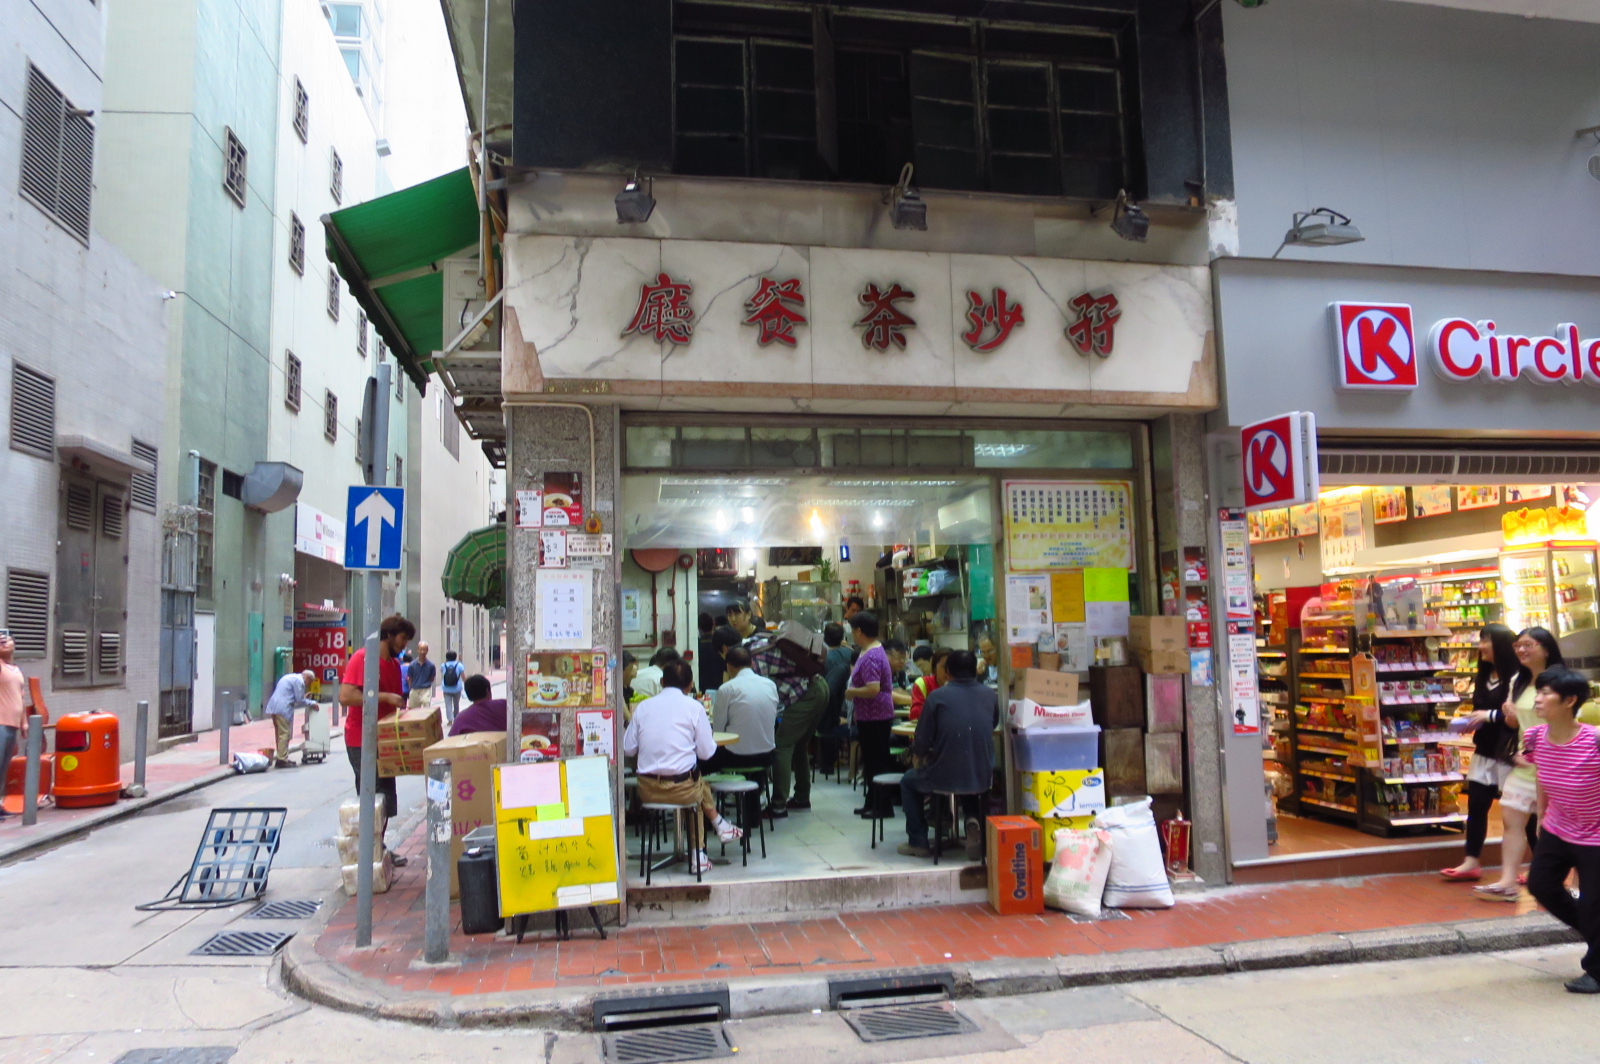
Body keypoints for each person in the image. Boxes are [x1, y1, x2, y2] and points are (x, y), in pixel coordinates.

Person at [1520, 667, 1600, 993]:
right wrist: (1540, 814)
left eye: (1546, 693)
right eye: (1538, 692)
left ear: (1569, 700)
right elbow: (1542, 773)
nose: (1538, 698)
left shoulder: (1594, 739)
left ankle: (1596, 971)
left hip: (1596, 835)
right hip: (1557, 826)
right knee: (1541, 885)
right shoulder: (1536, 736)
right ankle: (1596, 932)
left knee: (1596, 904)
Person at [622, 660, 741, 874]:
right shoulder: (694, 707)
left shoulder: (643, 708)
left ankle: (720, 826)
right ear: (690, 685)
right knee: (695, 782)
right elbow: (706, 752)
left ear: (661, 682)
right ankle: (699, 853)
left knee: (695, 779)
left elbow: (628, 749)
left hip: (646, 791)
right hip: (683, 791)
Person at [1476, 626, 1562, 901]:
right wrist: (1509, 714)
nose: (1522, 650)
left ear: (1546, 649)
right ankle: (1508, 881)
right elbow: (1516, 723)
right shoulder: (1518, 680)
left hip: (1556, 764)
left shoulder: (1561, 681)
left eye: (1529, 645)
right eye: (1519, 646)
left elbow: (1567, 720)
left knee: (1554, 825)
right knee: (1511, 816)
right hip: (1525, 763)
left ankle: (1565, 883)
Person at [711, 623, 829, 816]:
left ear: (724, 650)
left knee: (782, 746)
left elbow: (756, 698)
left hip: (804, 694)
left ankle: (778, 804)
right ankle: (801, 797)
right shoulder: (755, 642)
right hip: (817, 686)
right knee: (798, 745)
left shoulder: (751, 660)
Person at [898, 650, 997, 860]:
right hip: (983, 775)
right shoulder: (991, 696)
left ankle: (918, 842)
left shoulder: (936, 697)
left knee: (908, 781)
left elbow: (922, 742)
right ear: (975, 671)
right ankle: (971, 819)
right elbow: (993, 724)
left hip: (944, 776)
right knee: (968, 775)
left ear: (948, 671)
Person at [1442, 624, 1522, 882]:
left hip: (1510, 752)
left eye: (1485, 640)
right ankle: (1471, 860)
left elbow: (1518, 715)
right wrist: (1471, 721)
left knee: (1520, 812)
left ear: (1499, 644)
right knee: (1476, 805)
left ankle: (1537, 865)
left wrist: (1488, 715)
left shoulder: (1518, 678)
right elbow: (1483, 709)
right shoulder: (1483, 675)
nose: (1480, 646)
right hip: (1485, 750)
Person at [338, 614, 415, 863]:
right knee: (371, 794)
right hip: (362, 738)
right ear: (390, 635)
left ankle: (379, 849)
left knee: (386, 798)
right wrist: (383, 697)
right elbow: (346, 696)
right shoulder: (363, 658)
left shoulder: (393, 665)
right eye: (403, 639)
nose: (405, 645)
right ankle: (368, 854)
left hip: (386, 739)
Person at [846, 612, 896, 817]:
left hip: (876, 715)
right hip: (870, 715)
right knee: (871, 760)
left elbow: (873, 688)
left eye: (852, 631)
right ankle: (871, 801)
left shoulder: (872, 656)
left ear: (859, 631)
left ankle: (882, 806)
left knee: (876, 761)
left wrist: (851, 692)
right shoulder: (870, 650)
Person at [705, 646, 779, 776]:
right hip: (767, 756)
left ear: (729, 666)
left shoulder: (727, 688)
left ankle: (711, 793)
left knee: (699, 760)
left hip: (736, 757)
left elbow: (718, 732)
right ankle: (754, 794)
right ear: (751, 663)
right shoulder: (770, 685)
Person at [817, 623, 853, 775]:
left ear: (825, 637)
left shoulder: (823, 656)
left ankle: (827, 765)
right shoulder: (849, 652)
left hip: (830, 700)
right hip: (850, 701)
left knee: (827, 727)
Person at [264, 669, 317, 767]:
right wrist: (312, 703)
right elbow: (299, 700)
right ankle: (282, 759)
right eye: (310, 682)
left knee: (279, 734)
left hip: (274, 706)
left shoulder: (291, 677)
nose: (308, 684)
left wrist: (303, 697)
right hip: (283, 708)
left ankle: (281, 756)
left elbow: (293, 696)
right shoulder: (299, 681)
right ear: (307, 678)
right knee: (285, 734)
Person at [0, 633, 27, 820]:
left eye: (7, 639)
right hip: (0, 723)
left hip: (13, 725)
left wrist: (24, 722)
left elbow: (21, 698)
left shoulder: (16, 669)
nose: (4, 642)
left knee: (3, 767)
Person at [910, 648, 952, 721]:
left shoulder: (961, 685)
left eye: (952, 667)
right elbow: (914, 714)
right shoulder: (923, 683)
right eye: (944, 666)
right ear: (934, 667)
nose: (948, 671)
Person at [406, 642, 438, 708]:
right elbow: (410, 678)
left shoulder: (431, 665)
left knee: (426, 705)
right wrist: (411, 687)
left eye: (424, 650)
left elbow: (432, 678)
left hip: (426, 689)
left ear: (427, 650)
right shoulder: (412, 665)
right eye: (421, 649)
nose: (423, 652)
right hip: (414, 689)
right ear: (418, 650)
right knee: (413, 711)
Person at [696, 612, 722, 694]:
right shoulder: (721, 643)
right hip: (720, 684)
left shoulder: (696, 645)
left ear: (699, 627)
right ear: (714, 624)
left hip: (702, 685)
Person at [885, 639, 914, 709]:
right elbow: (887, 696)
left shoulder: (901, 674)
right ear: (885, 656)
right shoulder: (878, 674)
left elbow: (910, 694)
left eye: (904, 658)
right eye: (898, 658)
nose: (902, 661)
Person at [439, 651, 465, 723]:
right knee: (456, 704)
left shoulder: (443, 665)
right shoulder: (459, 665)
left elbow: (442, 672)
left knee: (448, 704)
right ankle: (456, 717)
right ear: (455, 657)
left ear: (446, 657)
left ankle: (450, 720)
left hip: (446, 688)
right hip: (457, 688)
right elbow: (463, 676)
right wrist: (466, 683)